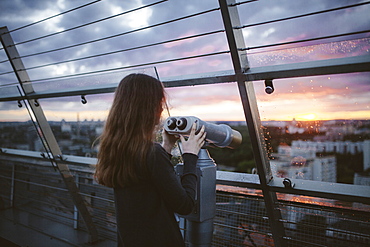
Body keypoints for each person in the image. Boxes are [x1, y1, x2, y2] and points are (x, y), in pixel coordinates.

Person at [94, 73, 206, 247]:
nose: (161, 109)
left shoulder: (115, 148)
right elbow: (185, 205)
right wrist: (190, 157)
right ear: (148, 107)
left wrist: (166, 147)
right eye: (159, 103)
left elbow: (146, 185)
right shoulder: (151, 153)